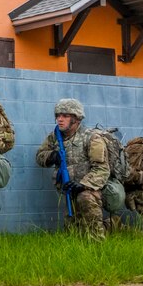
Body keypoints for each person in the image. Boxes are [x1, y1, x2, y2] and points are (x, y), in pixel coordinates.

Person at [35, 98, 110, 239]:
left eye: (65, 115)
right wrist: (51, 156)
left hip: (91, 190)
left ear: (76, 119)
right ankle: (110, 226)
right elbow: (39, 156)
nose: (60, 119)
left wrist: (83, 185)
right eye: (58, 115)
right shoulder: (54, 137)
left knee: (85, 199)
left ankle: (97, 241)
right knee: (73, 232)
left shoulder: (91, 138)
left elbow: (102, 169)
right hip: (68, 190)